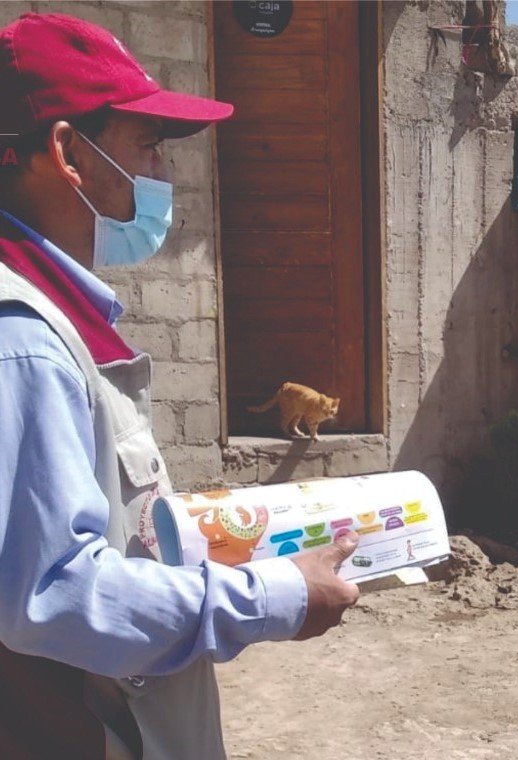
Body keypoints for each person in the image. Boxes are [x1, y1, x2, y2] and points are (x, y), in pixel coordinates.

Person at [0, 13, 359, 759]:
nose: (164, 176)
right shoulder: (24, 341)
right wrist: (279, 595)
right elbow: (54, 594)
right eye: (149, 147)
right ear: (69, 151)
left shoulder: (62, 313)